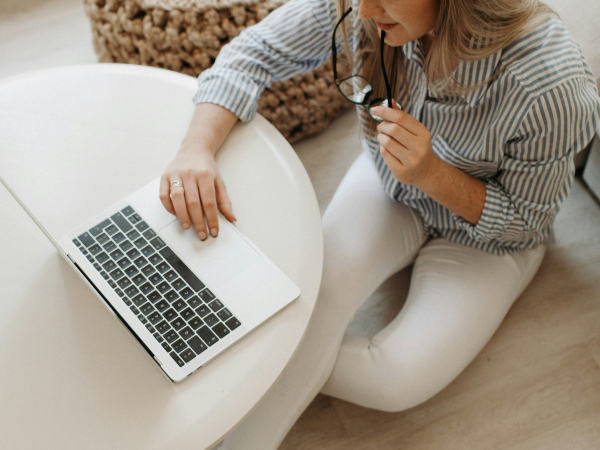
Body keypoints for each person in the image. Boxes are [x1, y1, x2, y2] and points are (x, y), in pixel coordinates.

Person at [160, 0, 600, 446]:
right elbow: (254, 52)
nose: (365, 11)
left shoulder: (551, 84)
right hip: (389, 185)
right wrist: (196, 148)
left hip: (488, 240)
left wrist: (433, 174)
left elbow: (526, 222)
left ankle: (238, 354)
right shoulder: (360, 5)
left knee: (392, 379)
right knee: (307, 308)